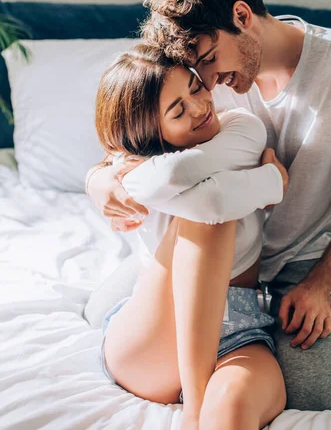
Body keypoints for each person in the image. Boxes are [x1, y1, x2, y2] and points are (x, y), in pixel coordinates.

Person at [87, 0, 331, 411]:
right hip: (205, 251)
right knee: (99, 313)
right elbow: (144, 138)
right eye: (199, 73)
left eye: (211, 61)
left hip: (300, 262)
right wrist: (101, 179)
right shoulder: (210, 82)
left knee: (311, 393)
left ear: (242, 15)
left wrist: (322, 280)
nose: (211, 85)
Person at [94, 42, 288, 430]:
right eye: (177, 110)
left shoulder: (241, 127)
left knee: (233, 409)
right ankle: (194, 409)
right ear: (149, 133)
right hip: (156, 333)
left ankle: (208, 408)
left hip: (238, 325)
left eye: (195, 88)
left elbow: (181, 180)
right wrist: (272, 182)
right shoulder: (136, 168)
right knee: (206, 216)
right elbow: (203, 200)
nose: (200, 108)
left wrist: (119, 177)